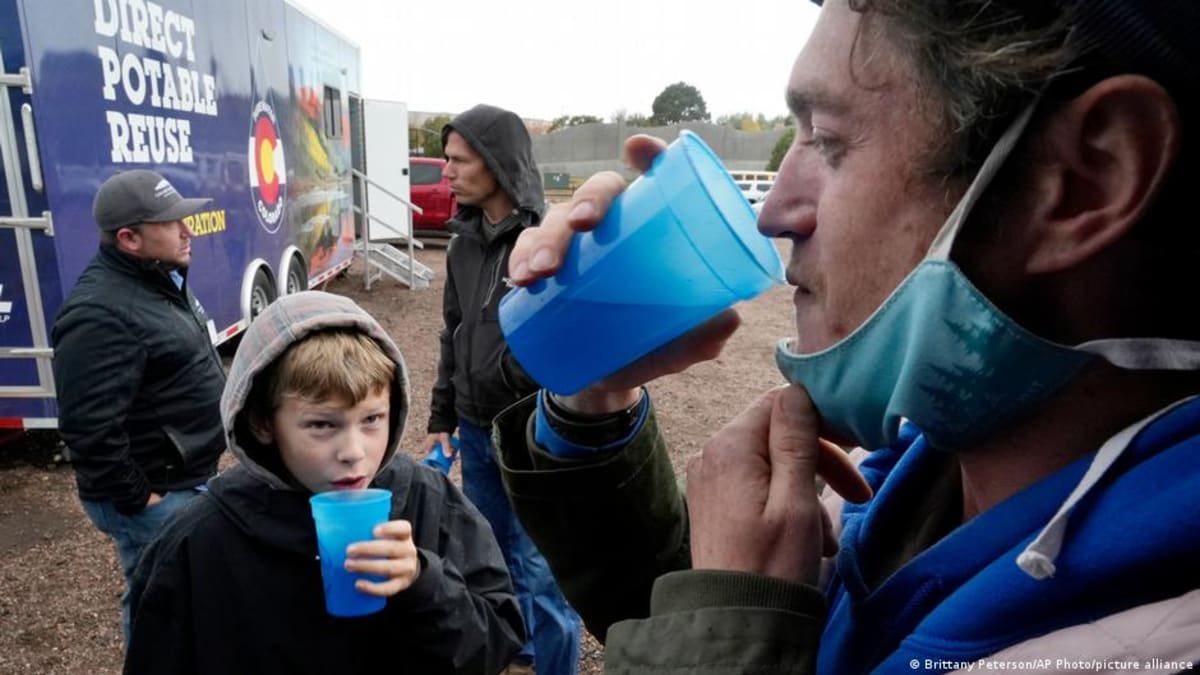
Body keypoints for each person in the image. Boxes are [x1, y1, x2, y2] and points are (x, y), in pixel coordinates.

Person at [494, 0, 1200, 672]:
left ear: (1084, 180)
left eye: (828, 141)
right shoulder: (905, 462)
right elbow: (719, 619)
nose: (773, 211)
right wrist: (597, 399)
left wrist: (733, 621)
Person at [123, 290, 524, 675]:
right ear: (263, 423)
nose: (353, 451)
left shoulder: (428, 500)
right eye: (321, 424)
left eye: (371, 420)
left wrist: (423, 581)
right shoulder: (199, 541)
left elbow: (496, 642)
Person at [420, 104, 583, 675]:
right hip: (473, 426)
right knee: (489, 557)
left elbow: (567, 340)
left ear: (495, 163)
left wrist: (517, 390)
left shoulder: (548, 240)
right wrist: (444, 413)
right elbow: (454, 331)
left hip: (531, 432)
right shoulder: (462, 242)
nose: (447, 171)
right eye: (446, 159)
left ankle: (555, 664)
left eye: (458, 161)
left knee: (540, 570)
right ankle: (516, 657)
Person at [51, 169, 225, 642]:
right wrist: (143, 501)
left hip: (184, 476)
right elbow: (88, 430)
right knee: (159, 602)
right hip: (156, 491)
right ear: (129, 238)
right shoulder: (100, 314)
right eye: (172, 224)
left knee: (186, 596)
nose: (188, 231)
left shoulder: (157, 279)